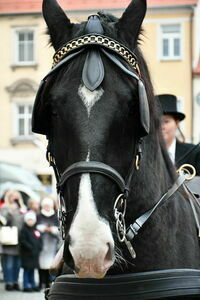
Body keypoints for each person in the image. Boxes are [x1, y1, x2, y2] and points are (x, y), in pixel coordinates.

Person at [157, 94, 200, 175]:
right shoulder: (144, 155)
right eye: (157, 122)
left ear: (176, 123)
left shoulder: (194, 153)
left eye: (166, 121)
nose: (161, 127)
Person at [0, 190, 26, 291]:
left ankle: (15, 282)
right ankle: (9, 282)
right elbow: (3, 221)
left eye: (17, 197)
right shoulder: (5, 208)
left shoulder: (22, 208)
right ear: (9, 197)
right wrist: (10, 211)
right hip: (9, 240)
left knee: (17, 264)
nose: (15, 199)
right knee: (8, 264)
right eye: (13, 197)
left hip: (21, 240)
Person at [36, 197, 60, 289]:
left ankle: (48, 282)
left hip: (52, 243)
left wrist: (51, 229)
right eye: (45, 206)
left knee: (50, 264)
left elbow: (59, 229)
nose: (47, 207)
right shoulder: (39, 215)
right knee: (40, 264)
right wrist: (43, 228)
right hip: (41, 243)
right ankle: (40, 282)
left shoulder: (55, 216)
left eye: (48, 206)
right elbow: (35, 226)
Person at [19, 210, 42, 292]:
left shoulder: (35, 229)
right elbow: (23, 241)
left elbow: (39, 239)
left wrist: (39, 247)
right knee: (27, 270)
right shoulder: (24, 230)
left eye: (32, 220)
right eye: (29, 220)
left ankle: (32, 284)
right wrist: (30, 247)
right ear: (26, 220)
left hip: (34, 255)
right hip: (27, 254)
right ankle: (26, 285)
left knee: (32, 270)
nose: (30, 222)